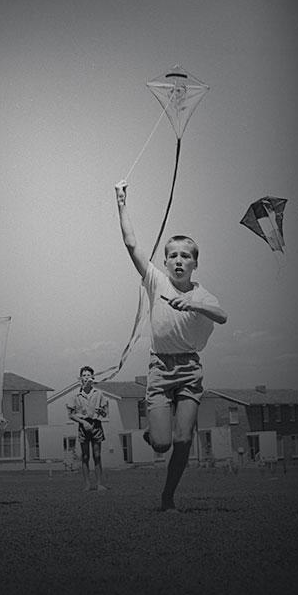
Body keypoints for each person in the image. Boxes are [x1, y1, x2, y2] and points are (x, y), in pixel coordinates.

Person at [115, 180, 227, 511]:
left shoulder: (202, 294)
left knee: (183, 440)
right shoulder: (156, 281)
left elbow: (222, 315)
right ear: (164, 263)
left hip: (190, 369)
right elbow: (131, 243)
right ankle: (155, 434)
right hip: (160, 368)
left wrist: (194, 305)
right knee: (162, 444)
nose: (178, 261)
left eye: (186, 256)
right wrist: (121, 202)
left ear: (195, 263)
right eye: (172, 256)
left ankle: (168, 496)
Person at [66, 366, 109, 491]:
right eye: (84, 375)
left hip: (96, 425)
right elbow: (71, 414)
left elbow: (105, 413)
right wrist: (83, 422)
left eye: (88, 375)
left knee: (97, 455)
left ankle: (99, 484)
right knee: (85, 456)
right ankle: (87, 484)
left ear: (93, 378)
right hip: (83, 426)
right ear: (80, 378)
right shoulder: (75, 395)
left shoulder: (99, 394)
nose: (86, 377)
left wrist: (102, 411)